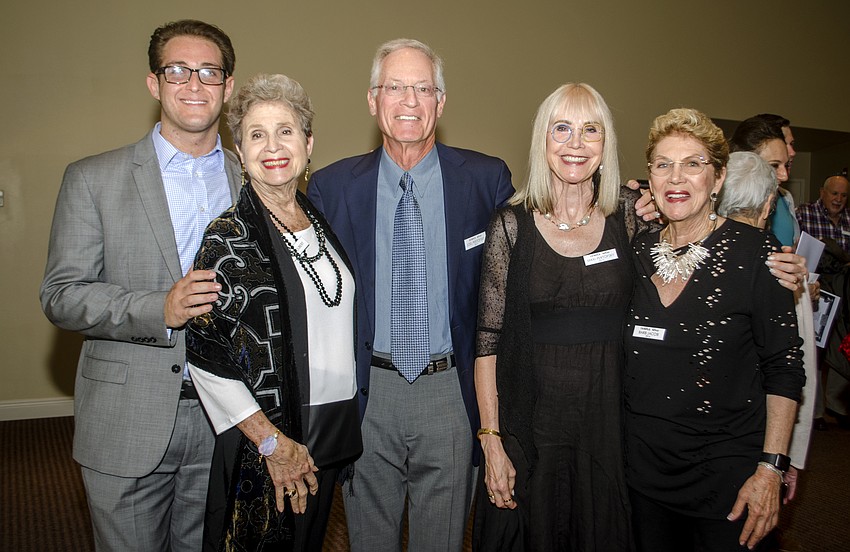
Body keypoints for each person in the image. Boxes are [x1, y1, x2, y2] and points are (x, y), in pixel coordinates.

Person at [307, 38, 514, 551]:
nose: (409, 101)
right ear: (372, 100)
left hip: (450, 391)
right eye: (395, 87)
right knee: (368, 537)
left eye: (423, 88)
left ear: (440, 104)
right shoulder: (331, 188)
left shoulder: (486, 180)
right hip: (366, 392)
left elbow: (538, 250)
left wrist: (623, 203)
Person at [40, 20, 239, 551]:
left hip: (229, 415)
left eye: (209, 72)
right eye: (177, 71)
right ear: (154, 83)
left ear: (228, 86)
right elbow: (61, 294)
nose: (194, 85)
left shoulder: (253, 179)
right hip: (129, 417)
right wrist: (161, 308)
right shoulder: (93, 178)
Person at [473, 83, 655, 551]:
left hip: (611, 431)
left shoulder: (633, 216)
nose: (576, 143)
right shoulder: (510, 225)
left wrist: (769, 259)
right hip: (532, 430)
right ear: (543, 140)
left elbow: (690, 268)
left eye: (590, 130)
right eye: (563, 129)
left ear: (605, 144)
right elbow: (488, 342)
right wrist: (492, 440)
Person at [186, 73, 362, 551]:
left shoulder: (313, 218)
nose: (273, 146)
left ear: (308, 142)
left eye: (285, 131)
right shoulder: (227, 239)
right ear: (239, 153)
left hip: (329, 430)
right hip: (272, 443)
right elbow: (205, 354)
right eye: (256, 135)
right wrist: (271, 444)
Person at [624, 108, 805, 552]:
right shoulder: (637, 250)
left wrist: (772, 467)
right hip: (641, 473)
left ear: (718, 179)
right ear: (649, 177)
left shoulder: (757, 254)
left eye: (693, 164)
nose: (676, 177)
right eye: (663, 164)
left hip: (728, 476)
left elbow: (784, 368)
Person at [717, 151, 817, 499]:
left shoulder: (777, 263)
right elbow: (793, 370)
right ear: (767, 206)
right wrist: (782, 459)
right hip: (740, 436)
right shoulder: (775, 262)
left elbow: (785, 369)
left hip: (739, 437)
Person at [729, 115, 797, 246]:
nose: (784, 176)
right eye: (774, 166)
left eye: (791, 143)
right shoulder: (716, 203)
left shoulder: (786, 198)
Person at [796, 175, 850, 253]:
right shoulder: (802, 214)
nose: (839, 199)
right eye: (834, 193)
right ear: (822, 193)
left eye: (844, 195)